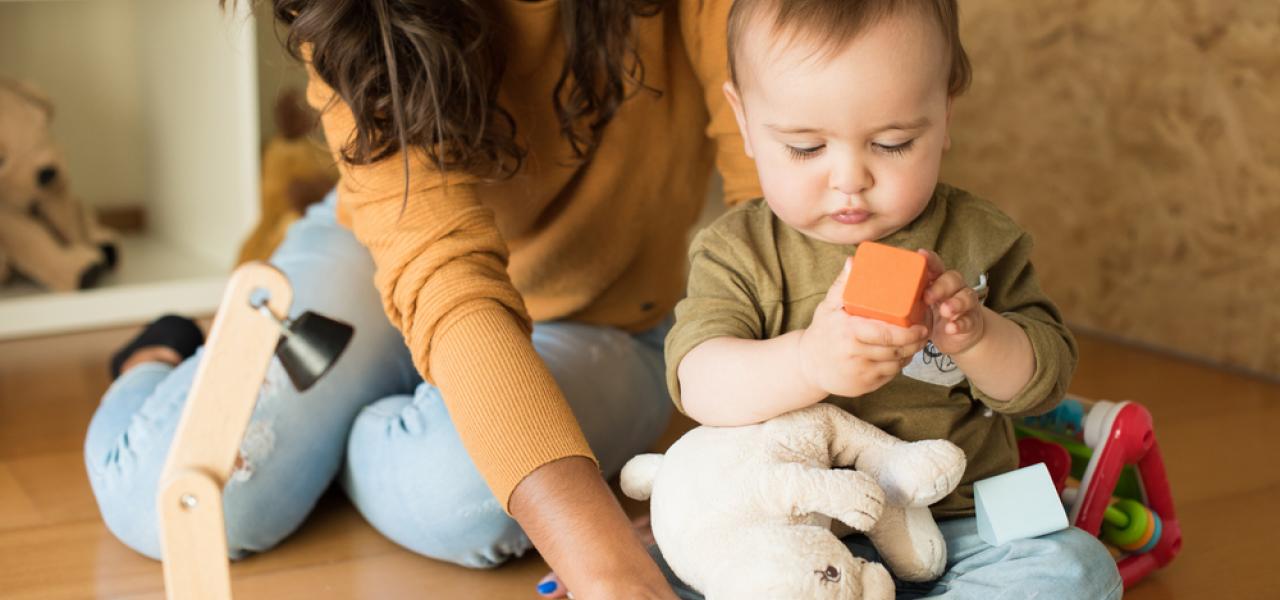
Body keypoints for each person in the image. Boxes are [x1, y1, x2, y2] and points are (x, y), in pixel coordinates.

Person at [84, 1, 760, 598]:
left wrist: (719, 493)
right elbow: (441, 269)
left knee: (462, 498)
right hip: (384, 255)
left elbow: (775, 223)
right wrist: (604, 562)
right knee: (172, 501)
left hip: (605, 313)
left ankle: (343, 422)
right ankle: (158, 351)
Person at [657, 0, 1123, 597]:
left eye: (894, 142)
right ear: (744, 122)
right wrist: (808, 363)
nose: (850, 178)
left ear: (944, 113)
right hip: (791, 527)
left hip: (960, 524)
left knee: (1077, 572)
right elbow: (698, 382)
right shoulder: (738, 251)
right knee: (674, 567)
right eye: (805, 147)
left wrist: (979, 338)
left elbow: (1044, 380)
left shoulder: (978, 237)